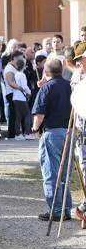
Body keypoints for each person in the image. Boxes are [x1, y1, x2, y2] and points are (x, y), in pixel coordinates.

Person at [32, 56, 73, 221]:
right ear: (62, 70)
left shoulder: (46, 88)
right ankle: (66, 208)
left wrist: (35, 128)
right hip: (68, 132)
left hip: (53, 133)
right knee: (64, 174)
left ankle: (56, 211)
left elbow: (39, 114)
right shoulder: (69, 87)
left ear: (46, 71)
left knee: (51, 172)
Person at [4, 51, 28, 140]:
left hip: (16, 93)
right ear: (14, 58)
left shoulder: (14, 68)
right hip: (11, 93)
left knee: (17, 114)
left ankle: (15, 134)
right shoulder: (9, 68)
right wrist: (20, 88)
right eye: (20, 58)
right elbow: (10, 82)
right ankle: (12, 134)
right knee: (14, 115)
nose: (22, 60)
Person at [12, 57, 34, 140]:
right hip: (21, 98)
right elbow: (24, 86)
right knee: (27, 115)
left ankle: (17, 134)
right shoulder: (22, 74)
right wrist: (29, 92)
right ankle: (28, 133)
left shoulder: (15, 74)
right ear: (24, 66)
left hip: (15, 97)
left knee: (18, 116)